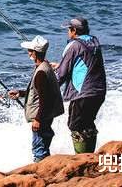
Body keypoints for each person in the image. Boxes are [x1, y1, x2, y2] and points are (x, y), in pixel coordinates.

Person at [50, 17, 106, 154]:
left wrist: (51, 89)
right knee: (88, 123)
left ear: (74, 30)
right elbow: (86, 62)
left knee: (75, 125)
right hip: (99, 91)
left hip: (83, 93)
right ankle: (90, 155)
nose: (68, 32)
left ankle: (82, 157)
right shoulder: (94, 42)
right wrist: (61, 65)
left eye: (69, 29)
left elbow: (62, 74)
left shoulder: (73, 45)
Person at [8, 35, 64, 162]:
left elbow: (45, 99)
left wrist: (37, 119)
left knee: (39, 148)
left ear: (34, 53)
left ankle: (41, 169)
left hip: (41, 116)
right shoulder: (46, 66)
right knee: (43, 144)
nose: (28, 53)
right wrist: (20, 93)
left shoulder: (40, 73)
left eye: (30, 51)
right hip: (46, 115)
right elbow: (40, 92)